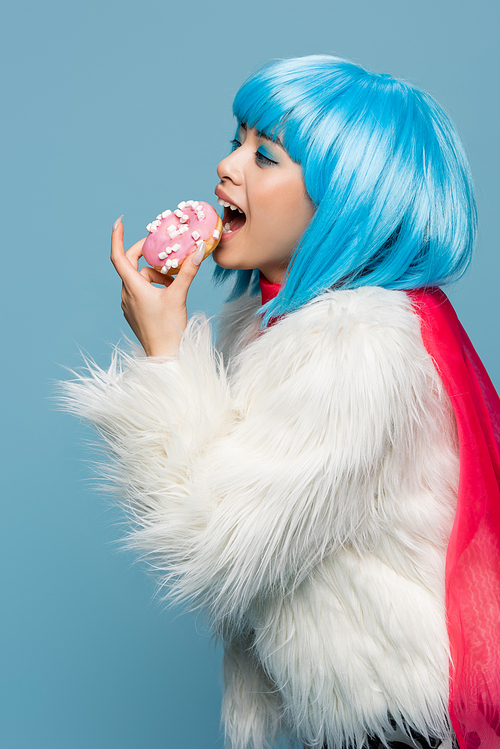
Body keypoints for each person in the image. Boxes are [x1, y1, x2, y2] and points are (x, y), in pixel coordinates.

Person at [61, 56, 500, 749]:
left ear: (345, 203)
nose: (226, 168)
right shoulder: (279, 329)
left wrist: (166, 352)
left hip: (395, 724)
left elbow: (212, 541)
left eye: (264, 156)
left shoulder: (357, 347)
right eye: (236, 141)